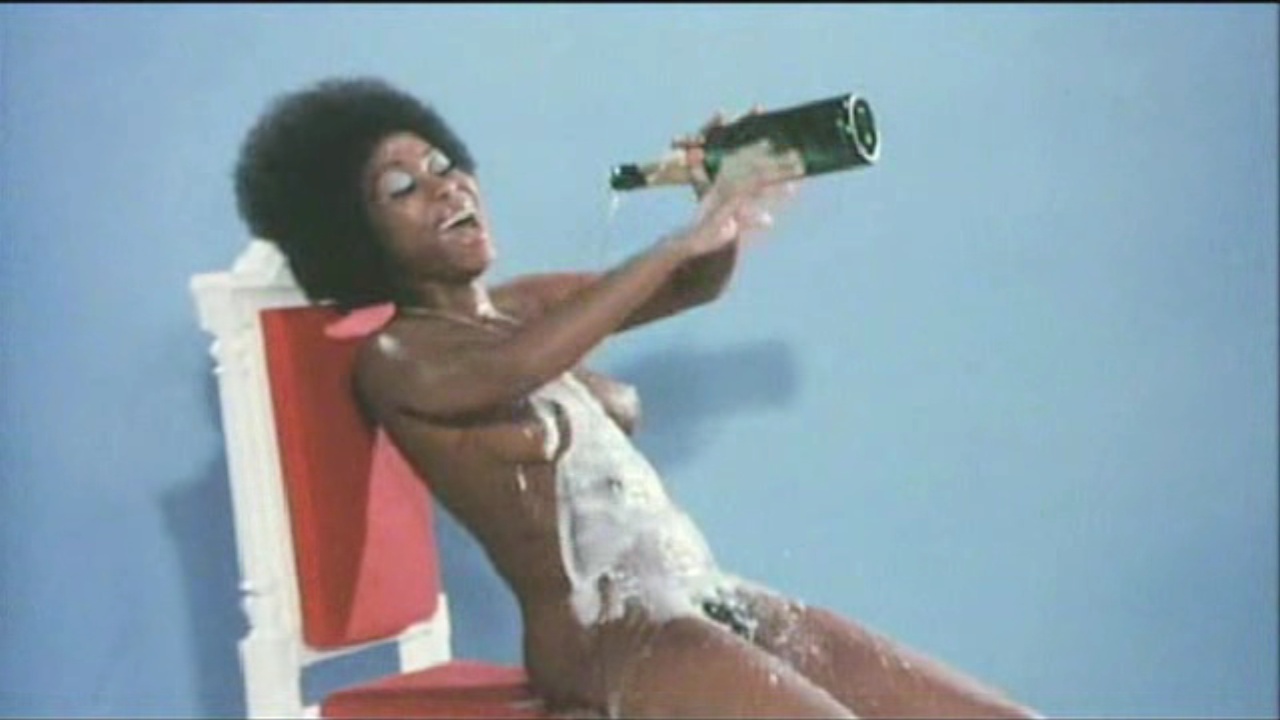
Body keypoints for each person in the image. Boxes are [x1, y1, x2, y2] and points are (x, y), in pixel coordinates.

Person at [234, 76, 1042, 719]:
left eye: (445, 165)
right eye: (403, 187)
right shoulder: (397, 357)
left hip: (701, 596)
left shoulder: (522, 306)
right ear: (352, 235)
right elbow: (516, 369)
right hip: (606, 637)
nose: (446, 190)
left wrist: (718, 203)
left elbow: (692, 285)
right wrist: (683, 238)